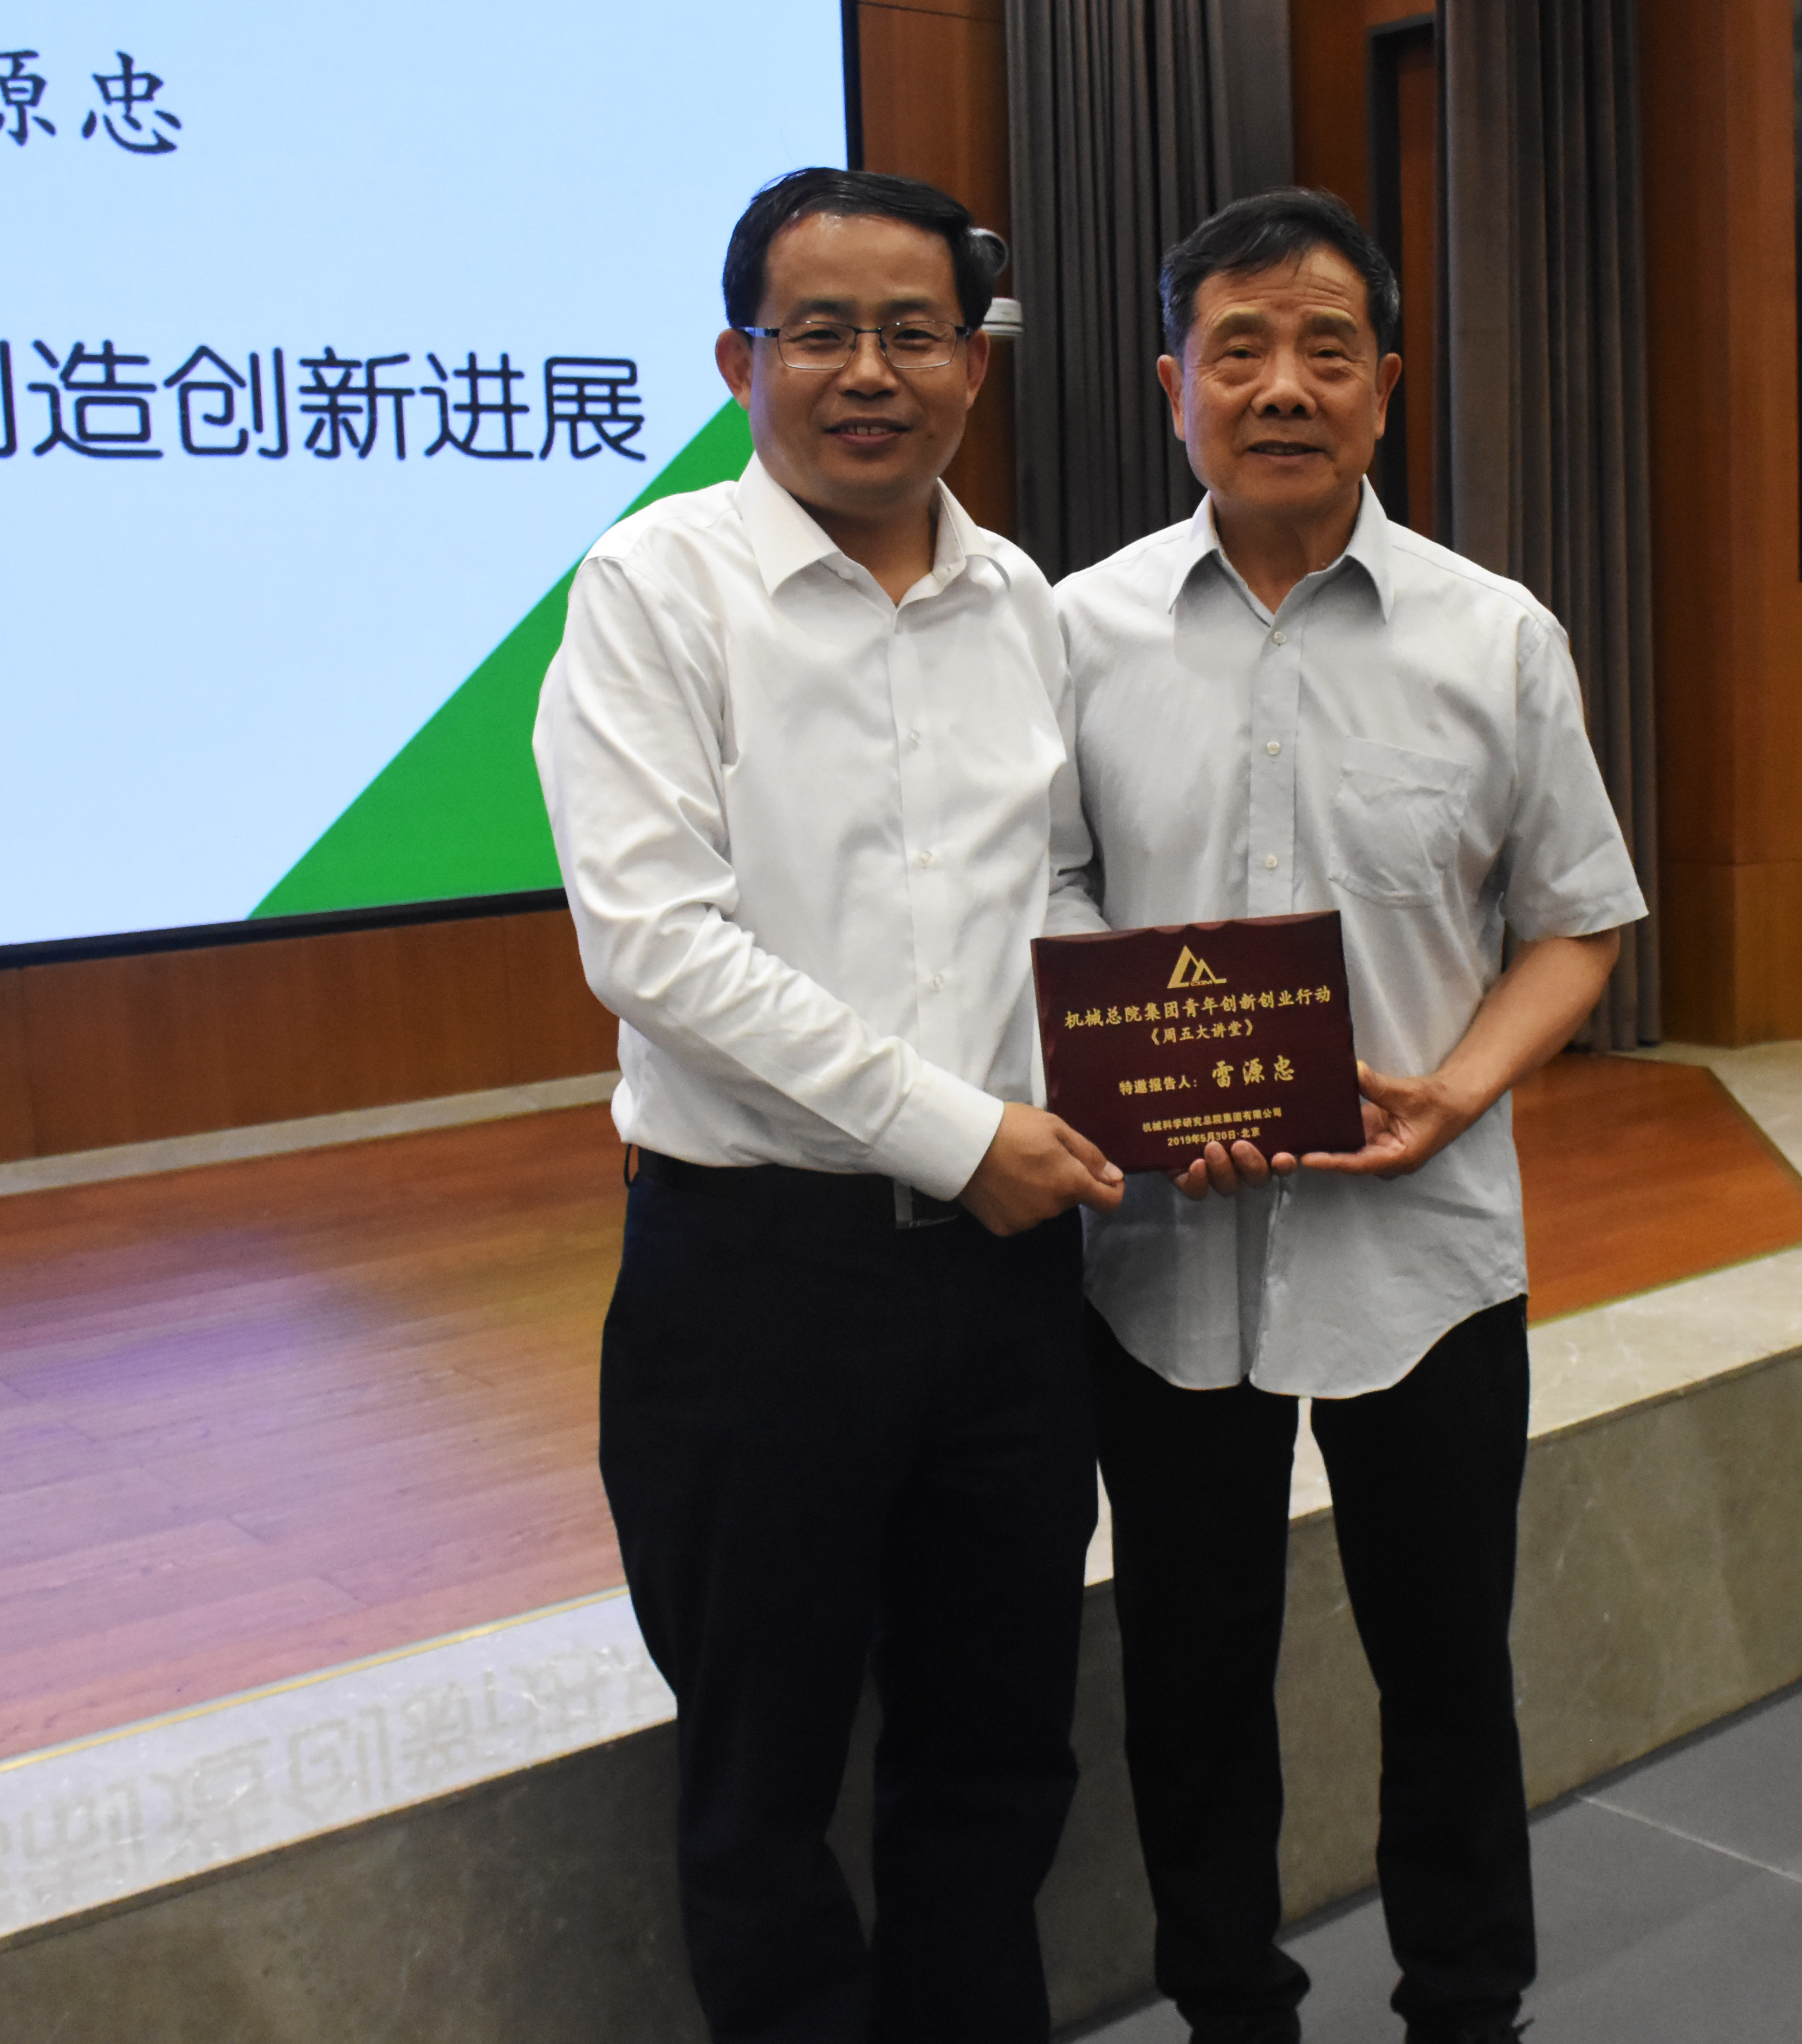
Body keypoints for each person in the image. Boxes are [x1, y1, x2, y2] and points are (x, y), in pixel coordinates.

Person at [533, 166, 1125, 2044]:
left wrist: (1154, 1058)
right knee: (762, 1775)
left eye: (913, 332)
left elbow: (1051, 887)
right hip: (757, 1279)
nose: (870, 372)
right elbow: (656, 944)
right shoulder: (653, 587)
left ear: (973, 363)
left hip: (1008, 1286)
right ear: (740, 362)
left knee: (994, 1746)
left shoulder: (1019, 601)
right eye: (821, 332)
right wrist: (961, 1133)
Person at [1051, 189, 1648, 2044]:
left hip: (1425, 1249)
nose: (1282, 388)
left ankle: (1467, 2005)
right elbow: (1043, 895)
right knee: (1189, 1677)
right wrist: (1131, 1085)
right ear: (1172, 388)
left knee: (1447, 1669)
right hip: (1162, 1253)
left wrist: (1458, 1090)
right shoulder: (1074, 634)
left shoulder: (1495, 635)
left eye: (1326, 350)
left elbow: (1576, 923)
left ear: (1386, 383)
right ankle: (1229, 2007)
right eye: (1237, 350)